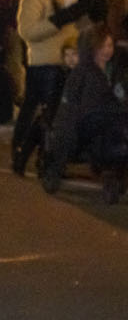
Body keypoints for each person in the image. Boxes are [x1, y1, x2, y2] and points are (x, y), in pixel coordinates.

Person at [12, 0, 82, 175]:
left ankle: (43, 155)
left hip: (67, 62)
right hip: (43, 64)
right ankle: (29, 153)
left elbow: (77, 26)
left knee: (56, 113)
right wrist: (57, 21)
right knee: (42, 111)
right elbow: (27, 30)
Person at [41, 25, 126, 202]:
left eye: (110, 46)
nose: (107, 51)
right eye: (102, 46)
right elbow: (87, 110)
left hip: (101, 125)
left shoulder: (114, 71)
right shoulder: (85, 74)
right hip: (78, 130)